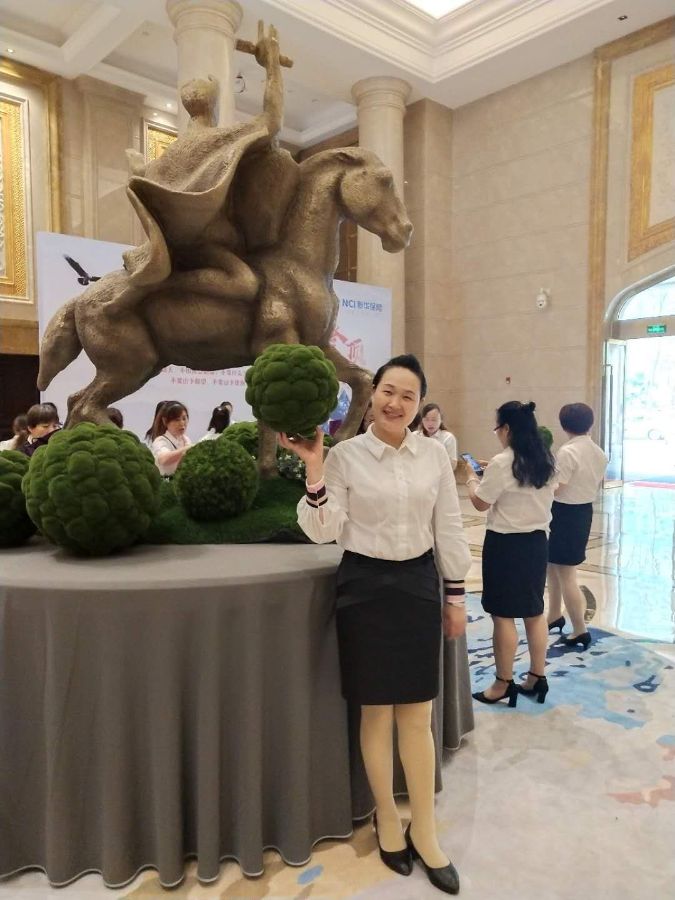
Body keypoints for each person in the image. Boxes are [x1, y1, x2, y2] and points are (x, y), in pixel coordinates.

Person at [279, 353, 471, 895]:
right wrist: (315, 468)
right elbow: (323, 531)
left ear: (420, 405)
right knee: (376, 713)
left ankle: (424, 829)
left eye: (408, 396)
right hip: (363, 588)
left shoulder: (434, 455)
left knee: (417, 713)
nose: (396, 403)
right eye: (388, 391)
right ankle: (387, 817)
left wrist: (456, 594)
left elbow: (449, 525)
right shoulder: (345, 457)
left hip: (417, 585)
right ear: (372, 397)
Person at [461, 401, 556, 707]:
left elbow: (480, 503)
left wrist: (471, 477)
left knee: (503, 614)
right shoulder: (545, 459)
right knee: (534, 611)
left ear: (506, 429)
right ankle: (537, 676)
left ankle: (503, 683)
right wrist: (492, 470)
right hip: (536, 543)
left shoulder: (504, 463)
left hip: (505, 546)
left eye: (497, 429)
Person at [547, 403, 608, 649]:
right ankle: (554, 615)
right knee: (552, 565)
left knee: (566, 574)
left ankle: (580, 629)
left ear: (563, 425)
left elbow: (558, 487)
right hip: (583, 512)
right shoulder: (599, 452)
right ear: (590, 423)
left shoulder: (568, 452)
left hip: (564, 513)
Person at [150, 401, 192, 477]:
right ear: (165, 421)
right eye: (177, 420)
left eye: (184, 418)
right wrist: (187, 449)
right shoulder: (160, 441)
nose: (182, 423)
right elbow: (163, 459)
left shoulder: (186, 439)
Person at [419, 403, 458, 470]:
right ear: (422, 420)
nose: (430, 423)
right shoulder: (415, 436)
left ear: (441, 420)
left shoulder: (448, 438)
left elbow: (452, 465)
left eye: (434, 420)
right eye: (426, 419)